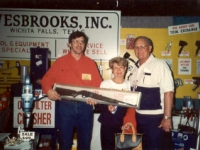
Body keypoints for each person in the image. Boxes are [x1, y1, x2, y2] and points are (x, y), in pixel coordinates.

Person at [41, 31, 102, 150]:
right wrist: (48, 91)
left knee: (85, 144)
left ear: (85, 45)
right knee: (64, 143)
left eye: (82, 42)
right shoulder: (60, 62)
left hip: (85, 108)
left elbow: (98, 85)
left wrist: (95, 96)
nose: (79, 44)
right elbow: (46, 80)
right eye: (76, 41)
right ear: (69, 44)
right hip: (65, 107)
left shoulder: (90, 63)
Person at [128, 36, 174, 150]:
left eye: (142, 47)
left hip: (155, 119)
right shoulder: (134, 68)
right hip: (139, 116)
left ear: (150, 48)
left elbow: (168, 92)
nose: (139, 50)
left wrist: (167, 118)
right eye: (136, 47)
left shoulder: (160, 65)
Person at [94, 57, 137, 150]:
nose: (118, 70)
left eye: (121, 67)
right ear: (112, 70)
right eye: (115, 68)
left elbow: (131, 107)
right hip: (107, 124)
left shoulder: (129, 85)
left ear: (125, 69)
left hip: (123, 124)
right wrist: (107, 106)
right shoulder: (105, 84)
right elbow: (98, 104)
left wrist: (127, 122)